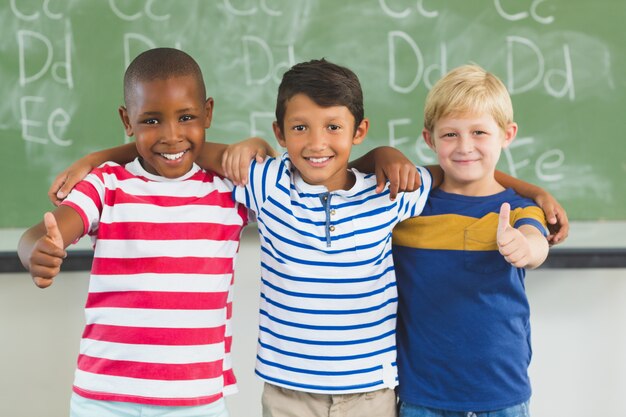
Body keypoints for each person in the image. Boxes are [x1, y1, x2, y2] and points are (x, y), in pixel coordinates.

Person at [45, 59, 568, 417]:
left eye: (333, 129)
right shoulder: (265, 183)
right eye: (300, 129)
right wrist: (98, 158)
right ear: (279, 133)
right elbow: (178, 145)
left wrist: (530, 191)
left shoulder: (393, 190)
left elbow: (462, 170)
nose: (317, 143)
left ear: (358, 132)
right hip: (287, 391)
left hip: (371, 393)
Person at [17, 47, 273, 417]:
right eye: (151, 120)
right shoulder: (108, 184)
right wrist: (35, 251)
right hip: (103, 399)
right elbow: (41, 234)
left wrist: (258, 146)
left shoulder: (228, 190)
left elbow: (282, 171)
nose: (171, 136)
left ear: (209, 113)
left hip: (196, 401)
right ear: (127, 119)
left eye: (186, 117)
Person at [392, 64, 551, 417]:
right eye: (450, 135)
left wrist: (524, 247)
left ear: (507, 135)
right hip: (422, 397)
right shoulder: (407, 210)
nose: (465, 147)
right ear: (429, 139)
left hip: (502, 396)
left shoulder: (520, 209)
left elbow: (535, 244)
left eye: (479, 132)